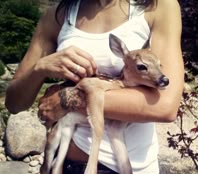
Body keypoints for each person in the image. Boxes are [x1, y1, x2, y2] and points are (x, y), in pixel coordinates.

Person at [5, 0, 184, 173]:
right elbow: (14, 103)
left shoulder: (157, 6)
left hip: (128, 167)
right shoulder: (58, 15)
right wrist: (40, 68)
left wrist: (66, 98)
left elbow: (165, 106)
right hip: (65, 164)